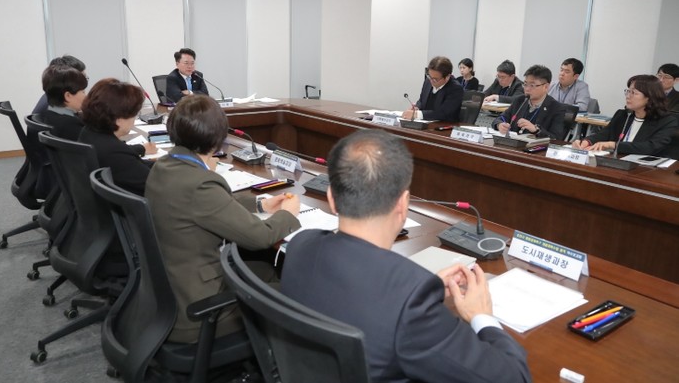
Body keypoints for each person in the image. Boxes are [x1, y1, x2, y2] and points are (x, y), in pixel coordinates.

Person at [281, 129, 532, 383]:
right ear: (403, 204)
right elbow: (514, 378)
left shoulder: (301, 245)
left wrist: (422, 288)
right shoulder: (410, 302)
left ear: (331, 198)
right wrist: (481, 316)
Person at [145, 94, 300, 343]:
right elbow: (260, 237)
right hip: (197, 311)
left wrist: (261, 203)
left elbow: (212, 205)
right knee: (294, 289)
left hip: (166, 295)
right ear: (217, 136)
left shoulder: (163, 166)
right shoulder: (200, 183)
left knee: (264, 269)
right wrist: (287, 214)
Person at [79, 78, 156, 196]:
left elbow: (136, 163)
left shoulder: (88, 131)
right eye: (134, 114)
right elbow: (155, 184)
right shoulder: (114, 151)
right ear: (118, 119)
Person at [571, 75, 678, 155]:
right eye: (628, 91)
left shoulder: (667, 121)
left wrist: (613, 145)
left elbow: (651, 147)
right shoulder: (623, 115)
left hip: (645, 170)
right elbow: (604, 134)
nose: (628, 96)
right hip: (616, 162)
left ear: (650, 97)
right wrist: (586, 141)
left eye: (634, 93)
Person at [493, 65, 567, 140]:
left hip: (537, 146)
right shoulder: (520, 100)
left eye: (532, 85)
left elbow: (556, 138)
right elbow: (500, 118)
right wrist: (500, 125)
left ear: (546, 87)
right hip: (513, 144)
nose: (527, 89)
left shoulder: (556, 108)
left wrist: (536, 130)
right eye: (525, 84)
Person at [401, 56, 464, 122]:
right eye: (429, 76)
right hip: (424, 123)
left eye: (435, 79)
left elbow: (444, 113)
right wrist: (417, 107)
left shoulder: (456, 89)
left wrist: (418, 114)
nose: (431, 81)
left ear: (447, 77)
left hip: (444, 125)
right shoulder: (428, 80)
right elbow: (421, 100)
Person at [40, 64, 88, 140]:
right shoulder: (72, 125)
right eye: (83, 92)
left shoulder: (50, 114)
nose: (85, 96)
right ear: (68, 96)